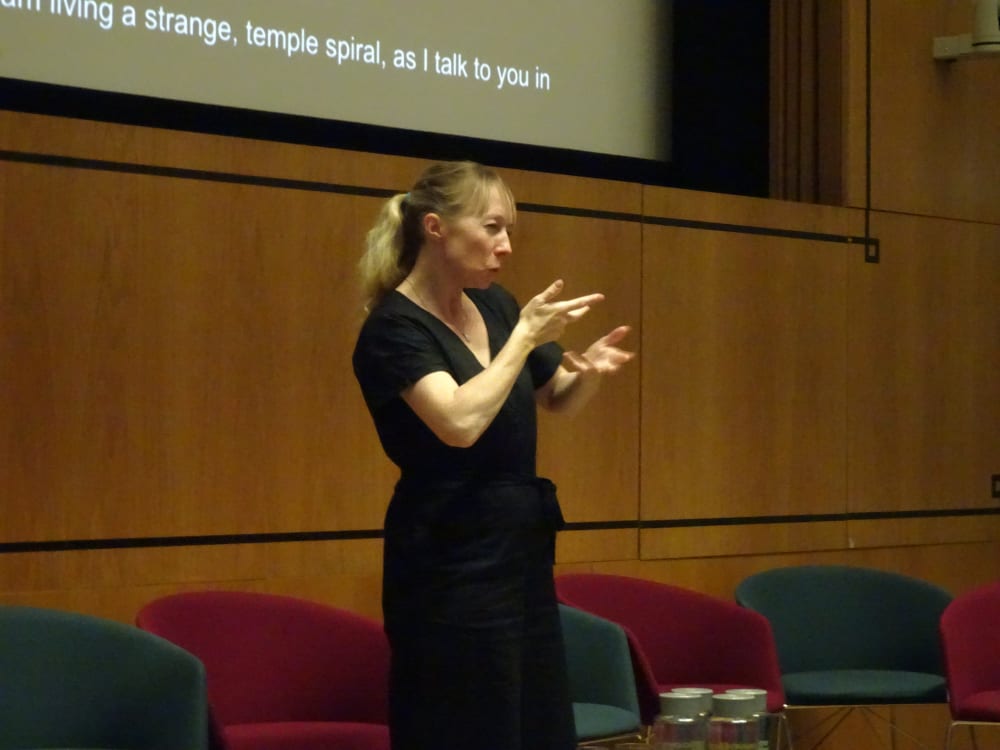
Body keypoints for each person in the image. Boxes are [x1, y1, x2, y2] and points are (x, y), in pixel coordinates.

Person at [351, 160, 634, 750]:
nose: (506, 247)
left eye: (509, 231)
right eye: (493, 227)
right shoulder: (394, 328)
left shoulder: (498, 306)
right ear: (436, 228)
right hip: (447, 560)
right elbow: (458, 421)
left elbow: (556, 397)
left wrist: (591, 374)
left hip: (518, 552)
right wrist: (525, 339)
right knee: (467, 725)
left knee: (535, 721)